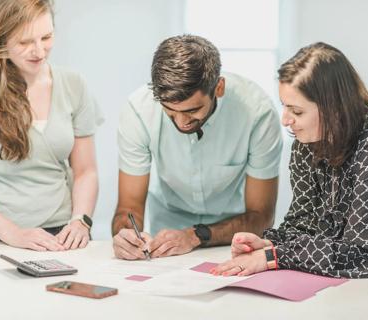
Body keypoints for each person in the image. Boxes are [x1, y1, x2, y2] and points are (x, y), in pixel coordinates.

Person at [212, 42, 368, 317]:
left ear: (334, 108)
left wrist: (275, 257)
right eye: (285, 107)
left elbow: (365, 253)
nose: (286, 120)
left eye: (297, 111)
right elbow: (304, 223)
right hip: (356, 277)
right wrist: (268, 244)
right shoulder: (306, 143)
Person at [112, 35, 282, 260]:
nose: (182, 122)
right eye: (170, 111)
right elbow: (129, 206)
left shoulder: (258, 114)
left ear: (218, 88)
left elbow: (261, 217)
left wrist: (194, 236)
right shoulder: (138, 111)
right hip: (165, 240)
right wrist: (125, 236)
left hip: (234, 240)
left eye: (192, 111)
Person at [0, 0, 102, 251]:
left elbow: (85, 171)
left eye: (46, 37)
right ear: (0, 40)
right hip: (0, 238)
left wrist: (81, 221)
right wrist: (14, 235)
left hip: (64, 236)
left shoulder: (73, 84)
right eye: (24, 42)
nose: (39, 51)